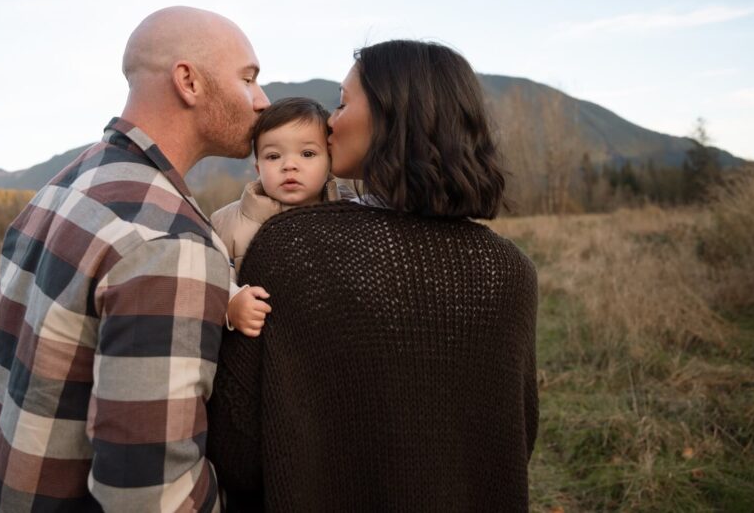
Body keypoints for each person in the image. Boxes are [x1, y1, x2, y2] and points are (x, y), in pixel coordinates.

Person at [0, 6, 270, 512]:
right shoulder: (168, 240)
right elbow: (149, 497)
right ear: (189, 81)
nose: (262, 101)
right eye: (248, 78)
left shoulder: (63, 187)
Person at [206, 40, 539, 511]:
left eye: (342, 103)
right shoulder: (511, 272)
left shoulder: (290, 247)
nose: (330, 122)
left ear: (391, 116)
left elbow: (237, 446)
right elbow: (514, 441)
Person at [212, 97, 350, 337]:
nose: (289, 165)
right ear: (258, 168)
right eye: (273, 156)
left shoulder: (351, 214)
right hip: (261, 346)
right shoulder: (226, 222)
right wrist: (231, 302)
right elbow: (208, 280)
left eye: (307, 153)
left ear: (329, 161)